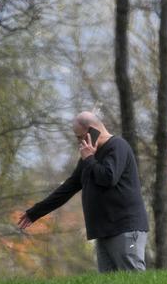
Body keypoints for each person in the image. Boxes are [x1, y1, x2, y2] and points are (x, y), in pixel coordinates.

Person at [17, 110, 149, 272]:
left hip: (126, 229)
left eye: (80, 137)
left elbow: (108, 178)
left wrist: (89, 159)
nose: (80, 142)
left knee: (132, 280)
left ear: (93, 130)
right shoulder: (89, 157)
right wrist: (35, 212)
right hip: (104, 231)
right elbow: (69, 187)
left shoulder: (117, 146)